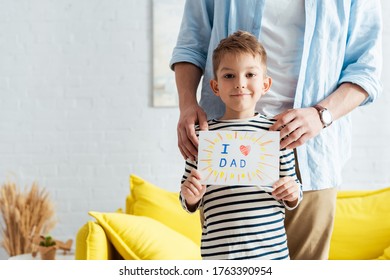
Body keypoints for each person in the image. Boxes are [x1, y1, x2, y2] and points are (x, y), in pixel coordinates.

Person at [170, 1, 382, 260]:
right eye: (228, 77)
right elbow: (191, 43)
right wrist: (186, 104)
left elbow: (366, 69)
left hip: (313, 150)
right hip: (225, 147)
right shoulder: (207, 143)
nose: (240, 84)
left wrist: (320, 115)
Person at [180, 30, 302, 260]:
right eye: (229, 76)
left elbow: (293, 192)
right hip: (219, 255)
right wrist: (190, 196)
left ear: (265, 84)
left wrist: (292, 192)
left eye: (250, 74)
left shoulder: (276, 133)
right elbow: (187, 198)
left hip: (271, 254)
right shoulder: (203, 135)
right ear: (215, 87)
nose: (240, 84)